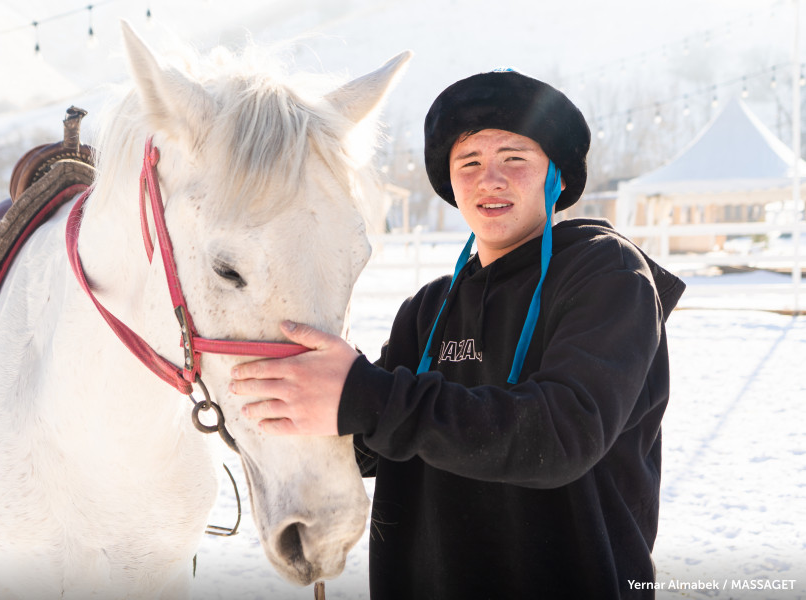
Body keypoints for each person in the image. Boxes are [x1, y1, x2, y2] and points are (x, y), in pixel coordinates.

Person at [230, 69, 686, 599]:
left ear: (555, 173)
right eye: (468, 162)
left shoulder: (606, 274)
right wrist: (285, 392)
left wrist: (366, 396)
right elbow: (376, 438)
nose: (489, 179)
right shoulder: (426, 311)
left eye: (514, 158)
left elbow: (564, 435)